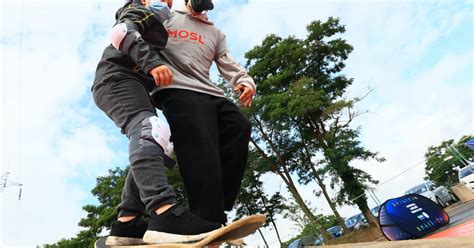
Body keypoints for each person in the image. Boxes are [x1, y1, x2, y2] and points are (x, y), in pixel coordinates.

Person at [91, 0, 221, 245]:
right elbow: (121, 32)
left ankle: (126, 225)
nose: (167, 3)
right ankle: (164, 212)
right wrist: (153, 63)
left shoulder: (159, 27)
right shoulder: (140, 11)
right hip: (116, 79)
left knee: (160, 142)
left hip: (134, 86)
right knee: (150, 131)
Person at [151, 0, 256, 225]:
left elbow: (227, 61)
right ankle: (208, 217)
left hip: (208, 90)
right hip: (175, 87)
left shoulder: (215, 33)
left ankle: (215, 205)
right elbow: (138, 33)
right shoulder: (167, 16)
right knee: (200, 144)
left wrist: (244, 81)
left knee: (239, 127)